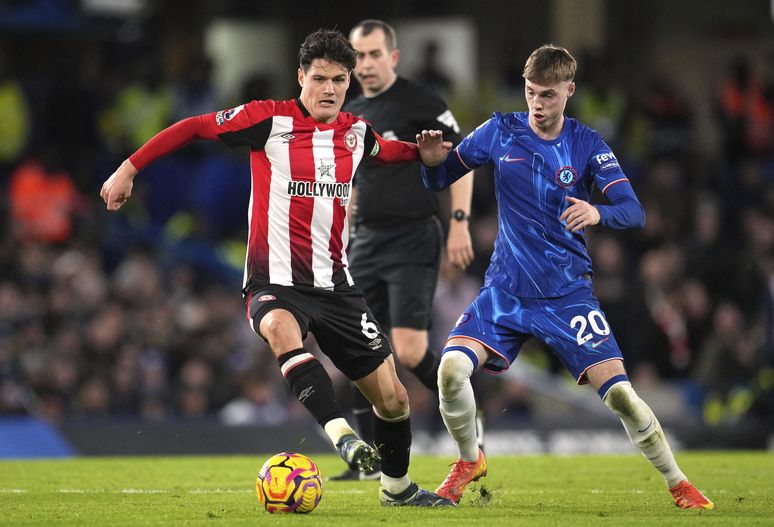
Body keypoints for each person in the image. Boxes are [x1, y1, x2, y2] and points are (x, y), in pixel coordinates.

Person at [100, 29, 454, 507]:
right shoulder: (268, 120)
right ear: (301, 77)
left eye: (340, 80)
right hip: (274, 280)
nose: (330, 89)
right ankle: (342, 436)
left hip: (337, 285)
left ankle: (397, 489)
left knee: (394, 400)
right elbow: (193, 127)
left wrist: (420, 153)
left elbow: (385, 152)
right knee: (281, 330)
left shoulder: (355, 131)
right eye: (321, 78)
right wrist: (128, 168)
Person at [415, 44, 714, 509]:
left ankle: (679, 483)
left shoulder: (587, 144)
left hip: (567, 294)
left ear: (569, 91)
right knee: (451, 370)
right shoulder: (500, 130)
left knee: (621, 398)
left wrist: (598, 211)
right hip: (506, 290)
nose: (537, 103)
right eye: (531, 92)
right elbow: (439, 179)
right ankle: (469, 459)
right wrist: (432, 162)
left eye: (548, 95)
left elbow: (633, 212)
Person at [330, 19, 476, 481]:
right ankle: (368, 466)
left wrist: (458, 223)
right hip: (365, 241)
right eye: (360, 57)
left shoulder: (420, 101)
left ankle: (471, 431)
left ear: (392, 57)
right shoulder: (348, 108)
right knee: (359, 351)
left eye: (375, 54)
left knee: (410, 352)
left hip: (414, 235)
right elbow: (348, 181)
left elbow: (462, 160)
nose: (367, 64)